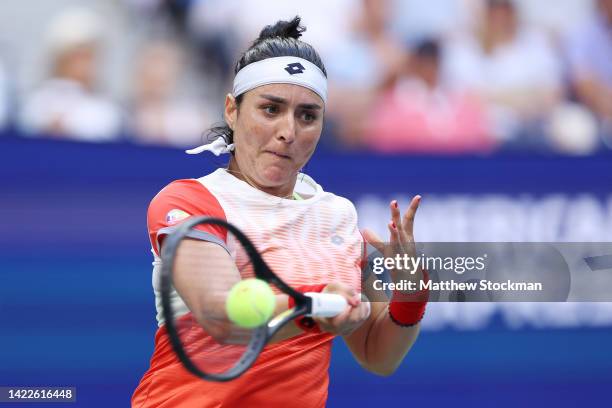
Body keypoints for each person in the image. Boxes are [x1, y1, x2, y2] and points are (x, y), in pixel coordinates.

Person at [132, 17, 427, 408]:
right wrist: (318, 308)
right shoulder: (188, 201)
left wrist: (412, 292)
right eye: (271, 109)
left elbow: (378, 354)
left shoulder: (339, 215)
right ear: (232, 111)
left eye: (308, 116)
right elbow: (220, 316)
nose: (289, 131)